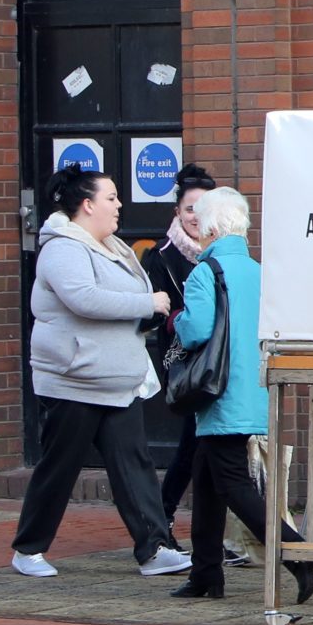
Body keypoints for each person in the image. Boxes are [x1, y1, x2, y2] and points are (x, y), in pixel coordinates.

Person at [10, 164, 191, 580]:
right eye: (110, 197)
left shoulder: (111, 245)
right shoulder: (62, 247)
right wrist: (148, 305)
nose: (119, 204)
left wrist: (147, 305)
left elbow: (124, 295)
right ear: (87, 204)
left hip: (116, 378)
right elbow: (84, 299)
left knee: (134, 464)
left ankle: (155, 548)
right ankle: (29, 549)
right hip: (74, 379)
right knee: (60, 466)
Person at [166, 187, 313, 604]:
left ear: (212, 229)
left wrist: (176, 322)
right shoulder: (257, 271)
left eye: (199, 223)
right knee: (207, 479)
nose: (196, 230)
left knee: (232, 485)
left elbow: (196, 330)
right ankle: (206, 574)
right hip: (251, 390)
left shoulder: (204, 272)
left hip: (218, 395)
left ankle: (296, 555)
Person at [141, 163, 215, 527]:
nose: (196, 217)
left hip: (220, 358)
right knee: (194, 441)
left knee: (210, 445)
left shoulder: (222, 252)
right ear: (177, 212)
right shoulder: (161, 256)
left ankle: (209, 529)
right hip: (183, 358)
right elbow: (155, 315)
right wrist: (175, 317)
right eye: (189, 209)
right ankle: (163, 516)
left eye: (203, 209)